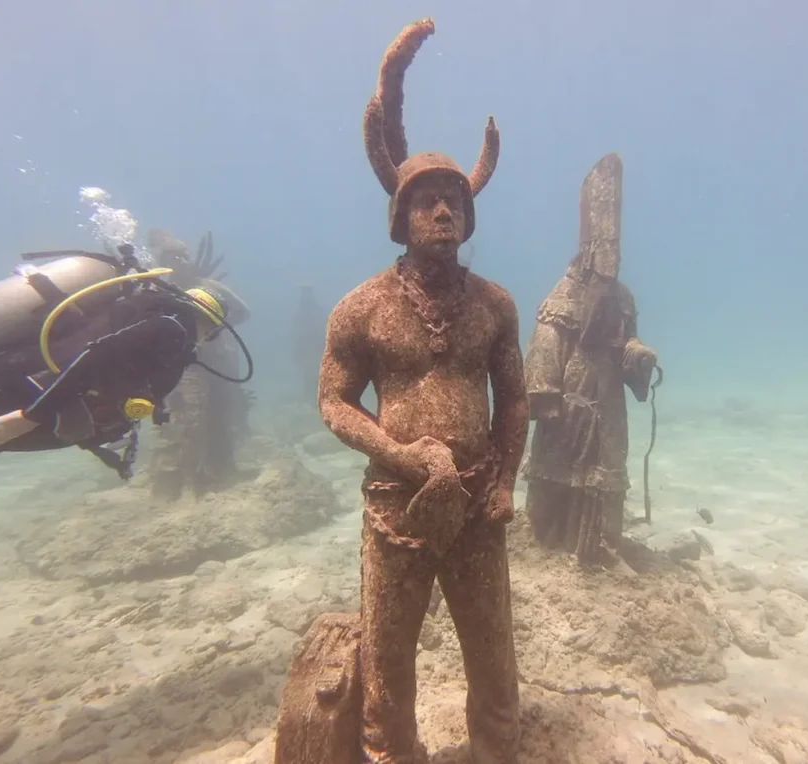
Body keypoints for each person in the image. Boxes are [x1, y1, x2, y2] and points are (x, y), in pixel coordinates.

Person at [311, 18, 528, 763]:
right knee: (390, 664)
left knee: (494, 660)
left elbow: (516, 400)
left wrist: (504, 482)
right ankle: (390, 753)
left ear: (470, 215)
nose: (443, 211)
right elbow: (333, 400)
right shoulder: (362, 308)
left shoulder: (495, 304)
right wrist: (403, 456)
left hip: (476, 506)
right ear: (399, 216)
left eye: (455, 199)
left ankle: (496, 751)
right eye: (427, 200)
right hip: (394, 508)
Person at [521, 152, 659, 566]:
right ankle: (545, 541)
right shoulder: (564, 293)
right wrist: (544, 393)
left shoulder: (623, 298)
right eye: (604, 249)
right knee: (557, 478)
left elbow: (625, 343)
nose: (610, 260)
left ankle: (601, 543)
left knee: (603, 479)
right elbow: (546, 341)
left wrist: (639, 356)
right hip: (570, 404)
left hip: (608, 404)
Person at [0, 281, 230, 478]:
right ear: (210, 325)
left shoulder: (171, 333)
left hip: (45, 395)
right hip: (35, 393)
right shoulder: (171, 330)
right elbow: (94, 355)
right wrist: (29, 417)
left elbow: (130, 376)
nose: (208, 338)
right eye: (212, 333)